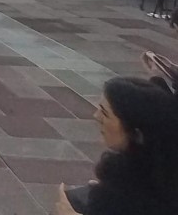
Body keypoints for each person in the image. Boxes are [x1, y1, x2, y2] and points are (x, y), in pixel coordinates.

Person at [56, 76, 178, 214]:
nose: (96, 116)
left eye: (105, 113)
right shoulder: (156, 168)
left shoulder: (150, 190)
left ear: (136, 133)